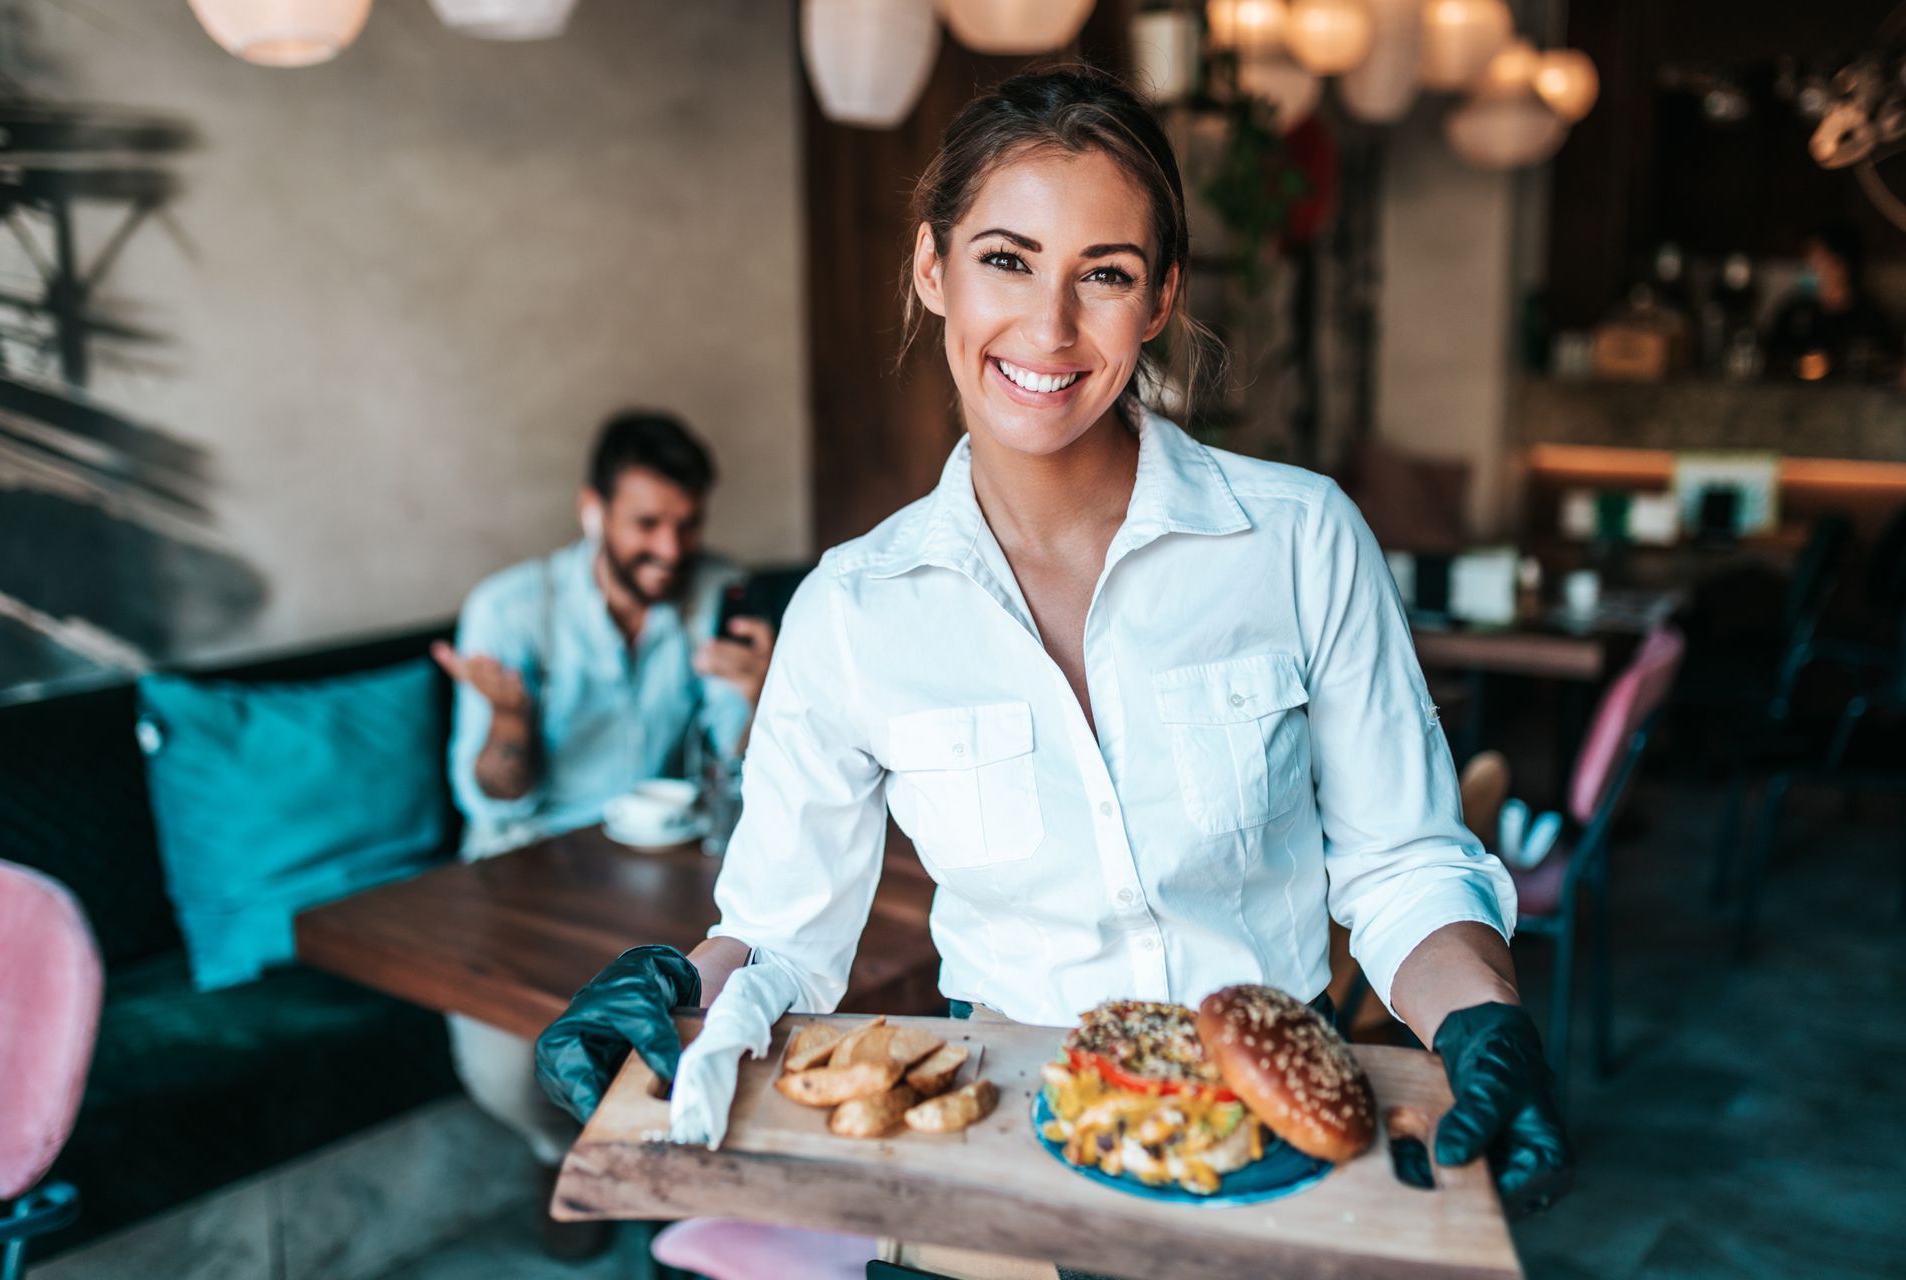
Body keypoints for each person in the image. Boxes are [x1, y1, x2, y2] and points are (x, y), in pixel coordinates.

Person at [536, 68, 1572, 1269]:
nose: (1049, 329)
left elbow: (1401, 866)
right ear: (934, 269)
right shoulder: (852, 611)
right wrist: (667, 991)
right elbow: (780, 936)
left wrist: (1486, 1022)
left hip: (1272, 1163)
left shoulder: (1299, 540)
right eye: (1008, 259)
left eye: (1107, 273)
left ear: (1161, 296)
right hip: (997, 1185)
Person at [432, 410, 774, 1246]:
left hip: (662, 866)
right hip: (524, 872)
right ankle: (564, 1150)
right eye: (647, 524)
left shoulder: (716, 590)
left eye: (686, 524)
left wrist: (767, 695)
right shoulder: (510, 609)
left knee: (722, 1005)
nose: (670, 547)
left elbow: (738, 768)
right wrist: (511, 724)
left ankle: (673, 1184)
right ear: (594, 511)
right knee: (500, 1067)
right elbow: (493, 801)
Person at [1766, 220, 1901, 381]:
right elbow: (1769, 359)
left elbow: (1891, 365)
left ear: (1840, 264)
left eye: (1816, 258)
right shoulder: (1794, 313)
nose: (1809, 266)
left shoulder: (1870, 318)